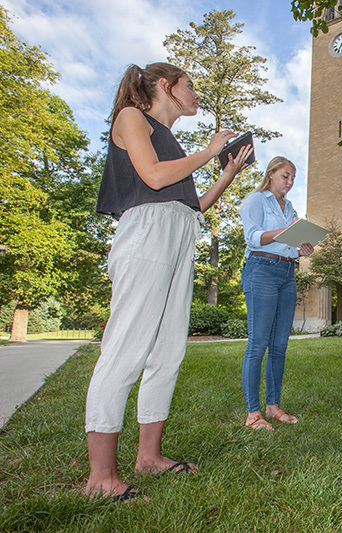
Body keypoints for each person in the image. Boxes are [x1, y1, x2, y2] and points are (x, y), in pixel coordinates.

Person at [85, 62, 253, 501]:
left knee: (168, 350)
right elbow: (155, 177)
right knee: (125, 348)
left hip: (180, 233)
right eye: (191, 85)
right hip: (146, 234)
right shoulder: (131, 118)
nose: (196, 93)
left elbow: (193, 205)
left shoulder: (172, 138)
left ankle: (149, 457)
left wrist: (227, 172)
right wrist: (208, 149)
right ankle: (100, 478)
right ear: (166, 85)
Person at [240, 156, 314, 430]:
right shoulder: (257, 200)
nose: (290, 181)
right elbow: (253, 237)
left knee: (280, 345)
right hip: (261, 270)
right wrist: (287, 231)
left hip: (286, 272)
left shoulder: (290, 207)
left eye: (293, 177)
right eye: (285, 175)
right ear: (271, 174)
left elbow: (290, 245)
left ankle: (273, 407)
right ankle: (253, 414)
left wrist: (302, 248)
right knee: (258, 344)